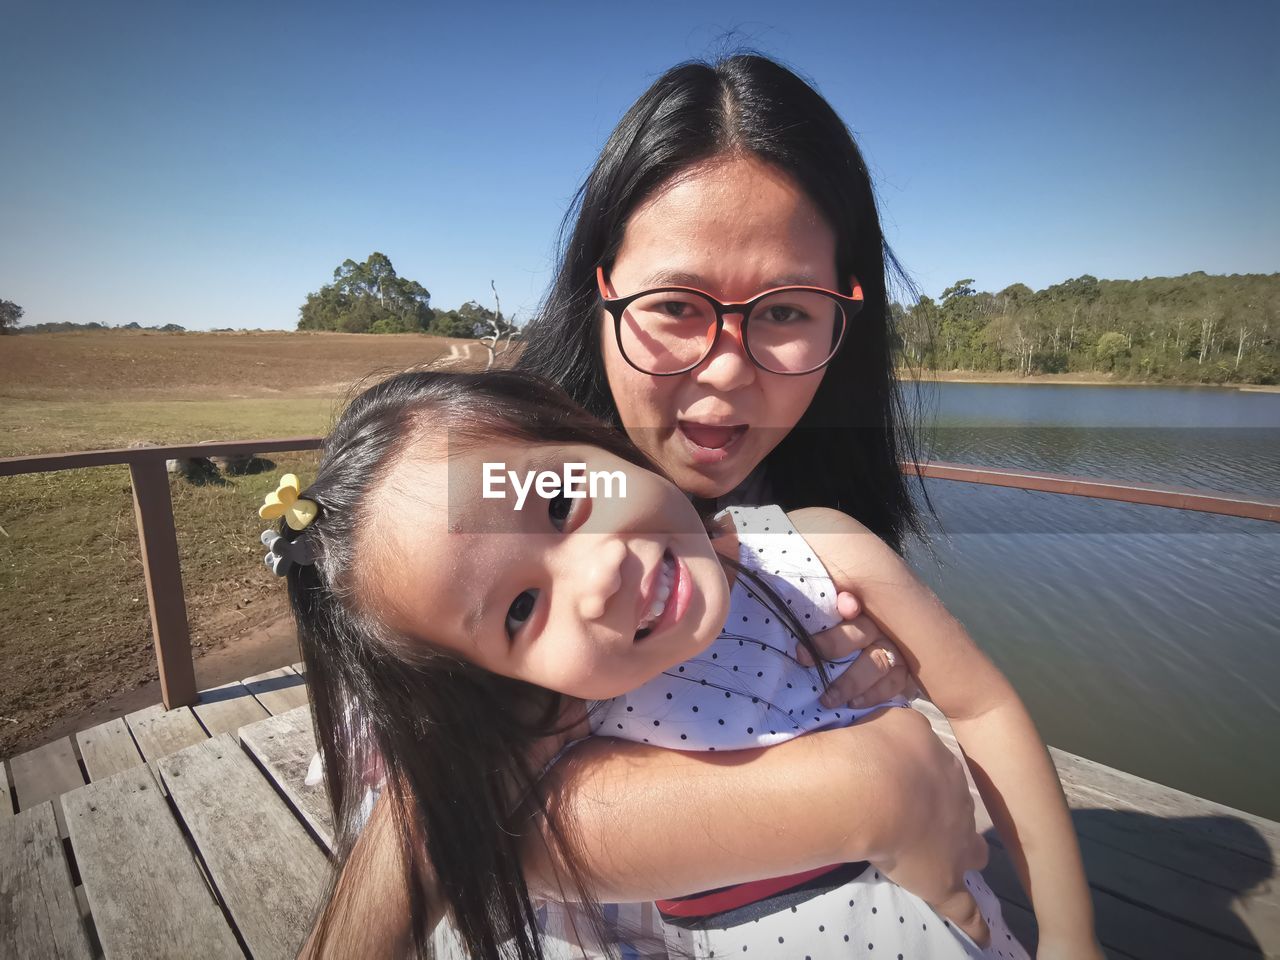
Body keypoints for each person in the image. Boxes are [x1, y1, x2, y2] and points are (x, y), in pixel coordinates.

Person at [298, 53, 1099, 958]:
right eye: (676, 305)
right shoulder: (503, 480)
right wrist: (861, 790)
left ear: (846, 316)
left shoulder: (800, 538)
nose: (726, 370)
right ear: (598, 292)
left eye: (787, 311)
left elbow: (979, 707)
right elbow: (422, 799)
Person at [277, 369, 1094, 959]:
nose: (599, 576)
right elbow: (422, 837)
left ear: (585, 437)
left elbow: (981, 706)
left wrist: (1070, 934)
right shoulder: (553, 720)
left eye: (561, 503)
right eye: (521, 610)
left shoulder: (817, 552)